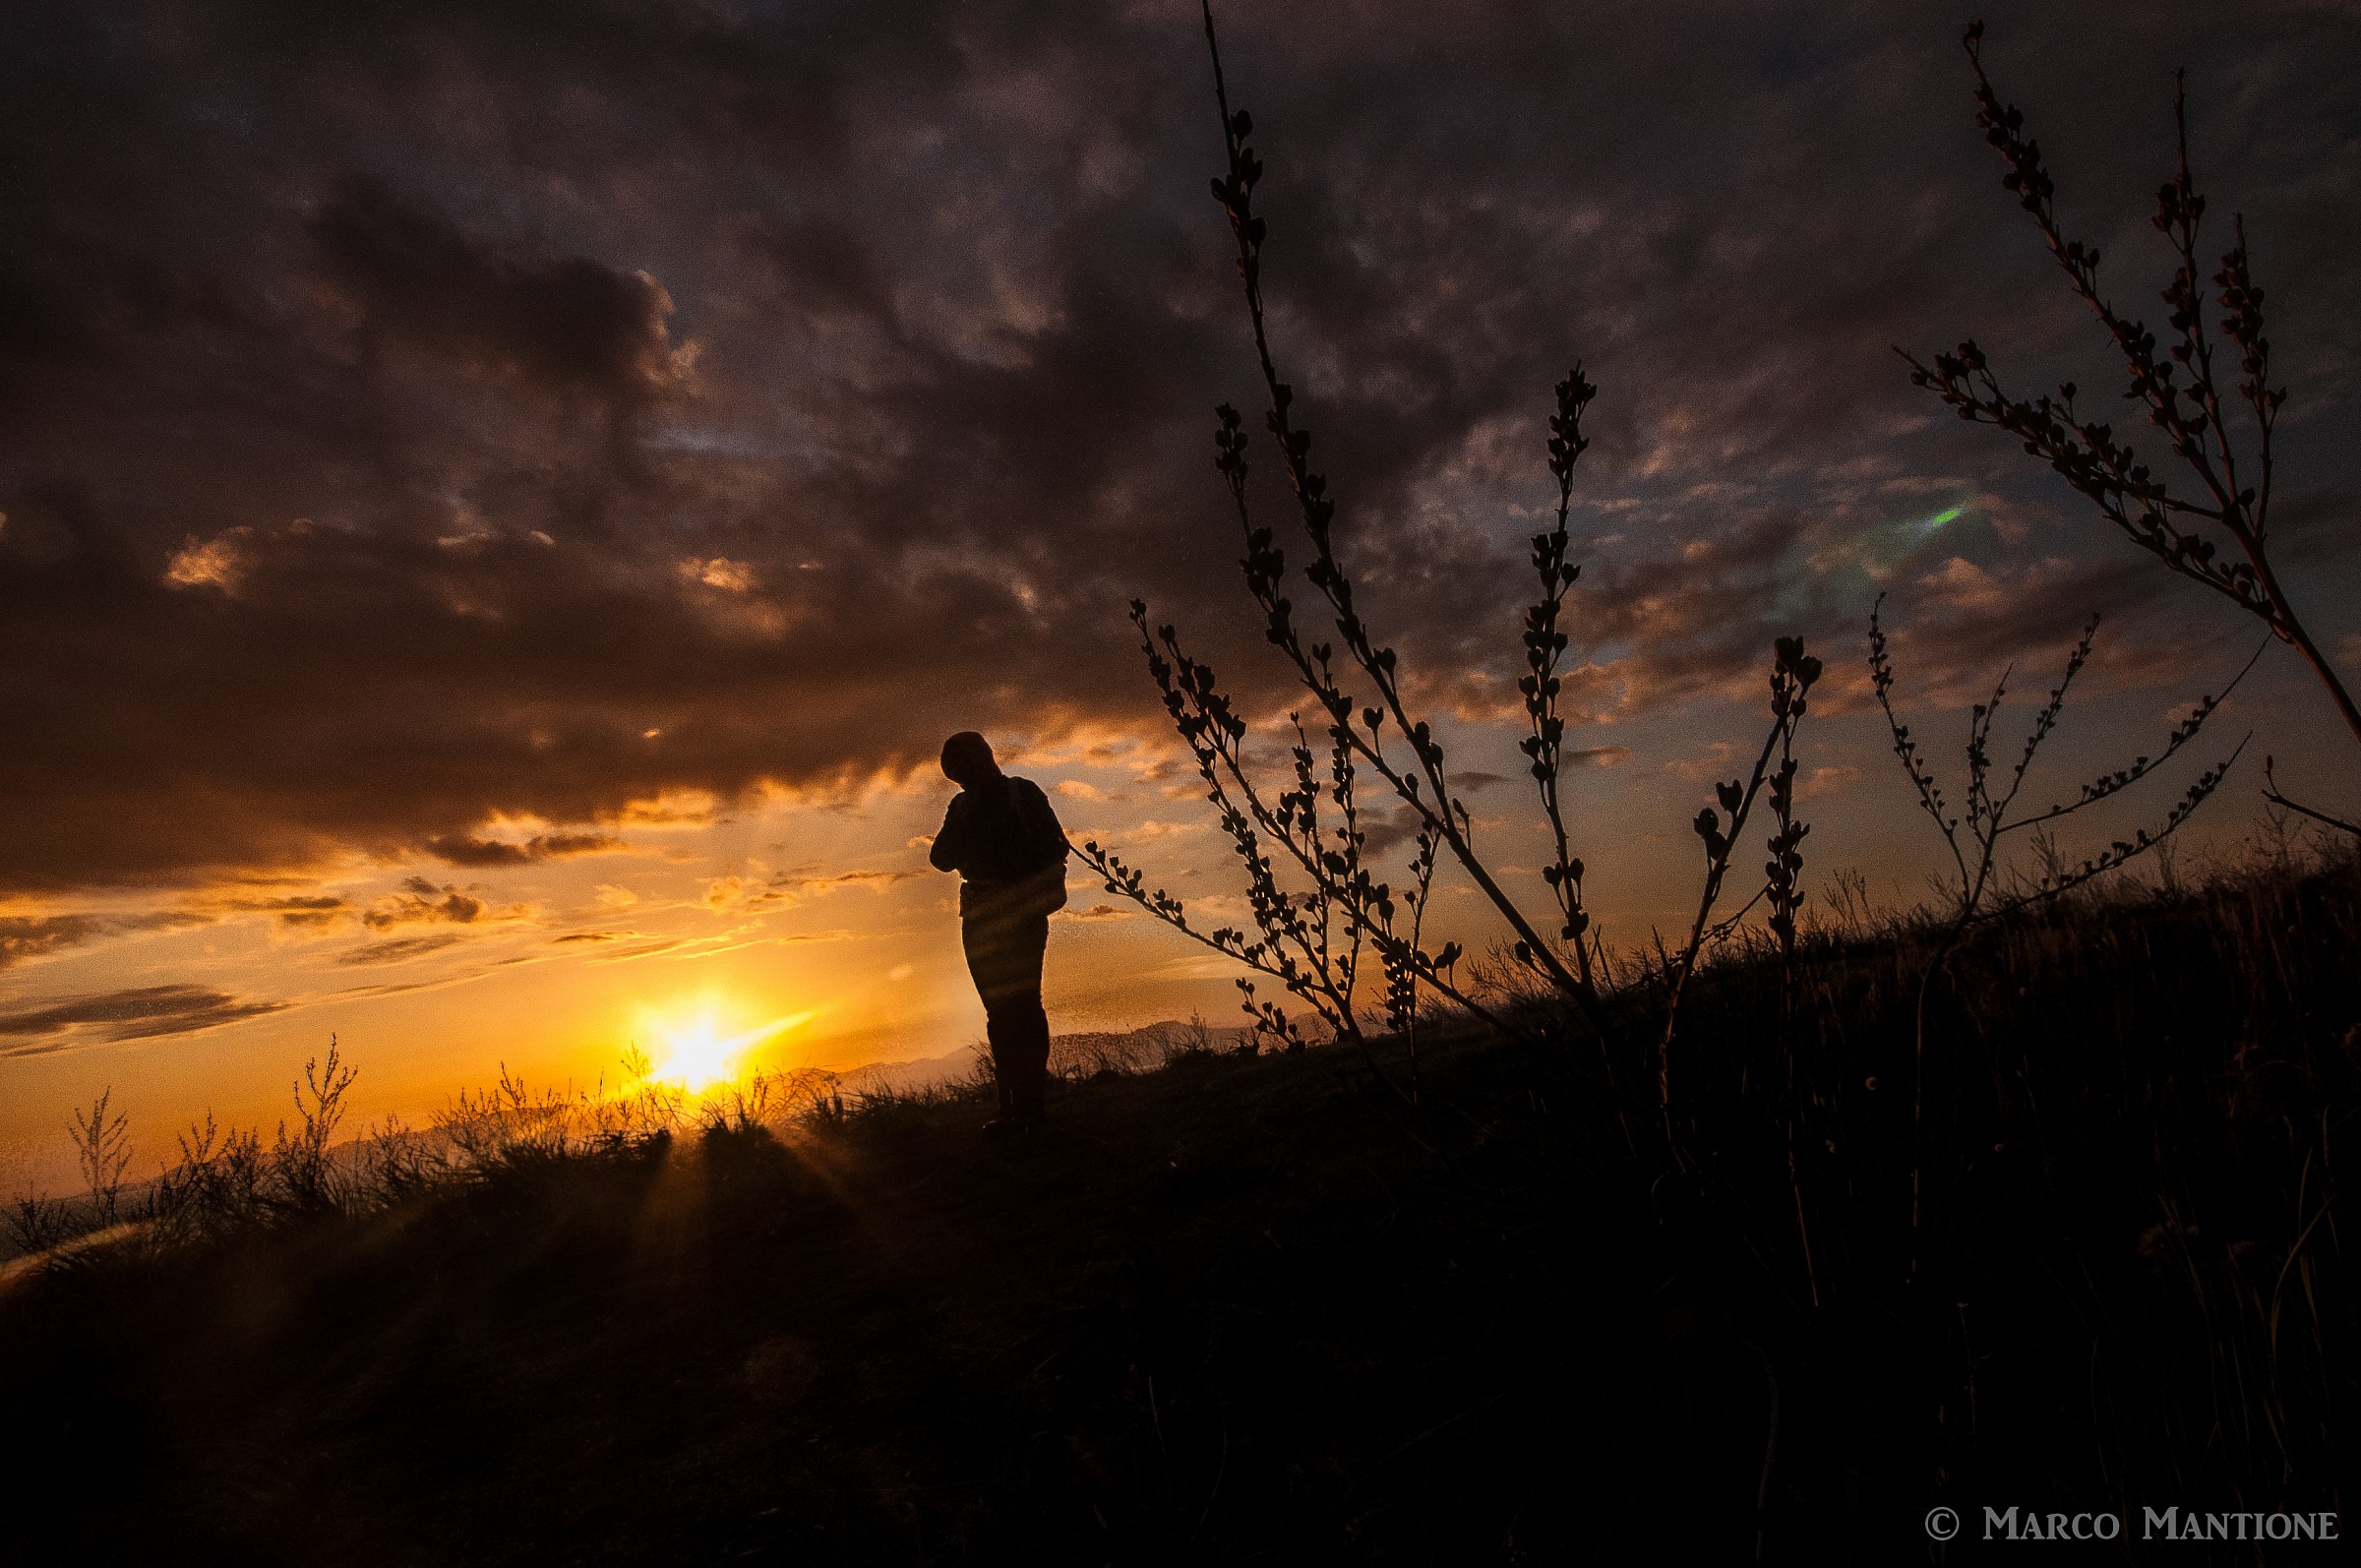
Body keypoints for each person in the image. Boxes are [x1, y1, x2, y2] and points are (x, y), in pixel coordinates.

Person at [928, 732, 1068, 1132]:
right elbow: (939, 858)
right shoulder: (962, 806)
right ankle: (1014, 1106)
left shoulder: (1019, 794)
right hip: (986, 919)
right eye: (950, 765)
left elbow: (1056, 847)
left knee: (1020, 1007)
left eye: (958, 762)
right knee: (1005, 1011)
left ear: (981, 758)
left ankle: (1027, 1106)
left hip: (1014, 916)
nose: (955, 771)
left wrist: (1001, 864)